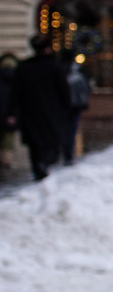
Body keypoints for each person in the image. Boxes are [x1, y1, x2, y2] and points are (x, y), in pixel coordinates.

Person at [12, 34, 73, 181]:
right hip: (51, 113)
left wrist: (14, 112)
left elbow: (16, 93)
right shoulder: (54, 67)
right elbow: (64, 92)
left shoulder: (24, 67)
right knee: (50, 143)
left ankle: (39, 170)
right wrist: (66, 109)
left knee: (35, 145)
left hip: (30, 113)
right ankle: (45, 168)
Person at [62, 55, 91, 164]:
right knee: (72, 129)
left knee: (65, 129)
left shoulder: (61, 72)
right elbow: (85, 89)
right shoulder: (78, 74)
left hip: (64, 107)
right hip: (75, 106)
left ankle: (65, 151)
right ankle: (68, 152)